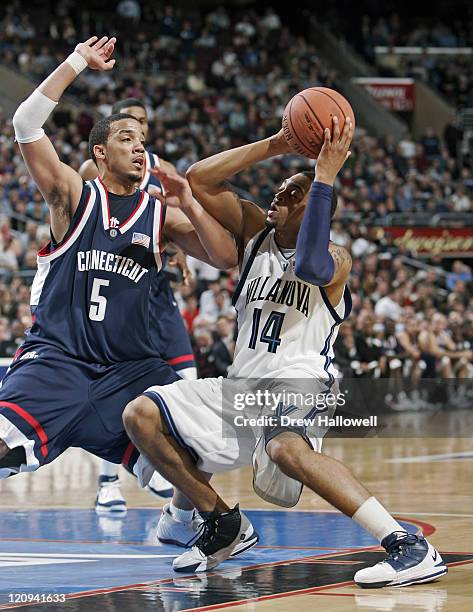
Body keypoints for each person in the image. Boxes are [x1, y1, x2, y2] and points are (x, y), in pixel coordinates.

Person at [123, 117, 447, 587]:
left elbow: (311, 266)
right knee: (141, 415)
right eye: (280, 189)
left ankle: (408, 545)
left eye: (292, 193)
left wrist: (324, 177)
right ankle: (221, 523)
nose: (278, 196)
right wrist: (278, 144)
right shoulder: (256, 234)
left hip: (300, 381)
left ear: (317, 206)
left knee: (283, 448)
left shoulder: (337, 259)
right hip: (243, 387)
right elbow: (199, 179)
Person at [0, 36, 244, 552]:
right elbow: (26, 124)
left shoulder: (161, 216)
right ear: (99, 152)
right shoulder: (73, 196)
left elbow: (225, 258)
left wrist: (191, 204)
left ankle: (215, 523)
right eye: (126, 138)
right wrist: (75, 63)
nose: (139, 146)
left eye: (142, 141)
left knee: (188, 455)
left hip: (129, 371)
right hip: (59, 360)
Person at [79, 98, 197, 514]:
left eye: (144, 126)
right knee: (106, 386)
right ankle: (109, 480)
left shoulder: (161, 169)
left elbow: (177, 217)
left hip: (155, 288)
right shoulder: (97, 171)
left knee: (186, 379)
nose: (139, 133)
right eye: (130, 128)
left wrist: (181, 254)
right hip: (112, 285)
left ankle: (172, 478)